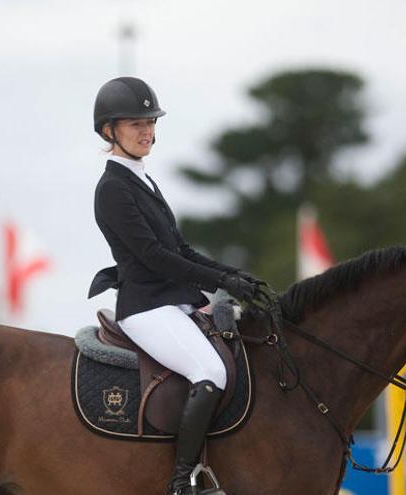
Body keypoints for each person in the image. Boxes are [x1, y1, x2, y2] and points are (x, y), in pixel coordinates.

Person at [87, 76, 267, 495]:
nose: (147, 130)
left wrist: (235, 276)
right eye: (135, 124)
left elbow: (182, 249)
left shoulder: (143, 181)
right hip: (146, 307)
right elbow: (154, 257)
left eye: (150, 122)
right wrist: (220, 281)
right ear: (109, 130)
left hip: (173, 302)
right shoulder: (112, 188)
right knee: (210, 370)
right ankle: (181, 481)